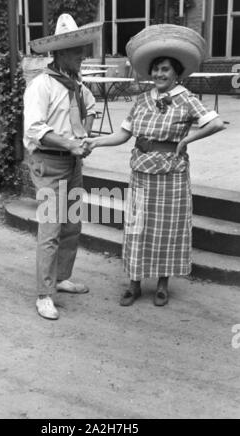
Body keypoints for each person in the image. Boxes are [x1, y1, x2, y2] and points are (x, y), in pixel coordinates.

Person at [83, 24, 225, 307]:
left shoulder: (185, 98)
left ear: (176, 73)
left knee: (168, 228)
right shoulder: (141, 101)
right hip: (141, 173)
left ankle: (162, 284)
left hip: (171, 175)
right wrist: (94, 142)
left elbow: (216, 123)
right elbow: (123, 134)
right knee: (138, 227)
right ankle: (134, 284)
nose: (160, 74)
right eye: (156, 69)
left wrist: (189, 139)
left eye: (166, 69)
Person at [23, 14, 102, 320]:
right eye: (75, 51)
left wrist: (84, 134)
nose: (81, 56)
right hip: (49, 164)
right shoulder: (42, 86)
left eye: (82, 50)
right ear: (58, 54)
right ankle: (44, 294)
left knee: (71, 225)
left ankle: (62, 277)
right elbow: (33, 129)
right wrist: (69, 143)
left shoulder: (77, 84)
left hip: (73, 164)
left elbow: (92, 107)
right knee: (51, 229)